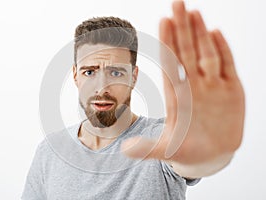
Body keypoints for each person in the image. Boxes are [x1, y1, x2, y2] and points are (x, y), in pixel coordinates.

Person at [21, 1, 245, 199]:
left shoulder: (161, 138)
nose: (101, 88)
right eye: (90, 72)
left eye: (116, 73)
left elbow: (192, 161)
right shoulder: (50, 151)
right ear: (75, 75)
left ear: (134, 76)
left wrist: (214, 154)